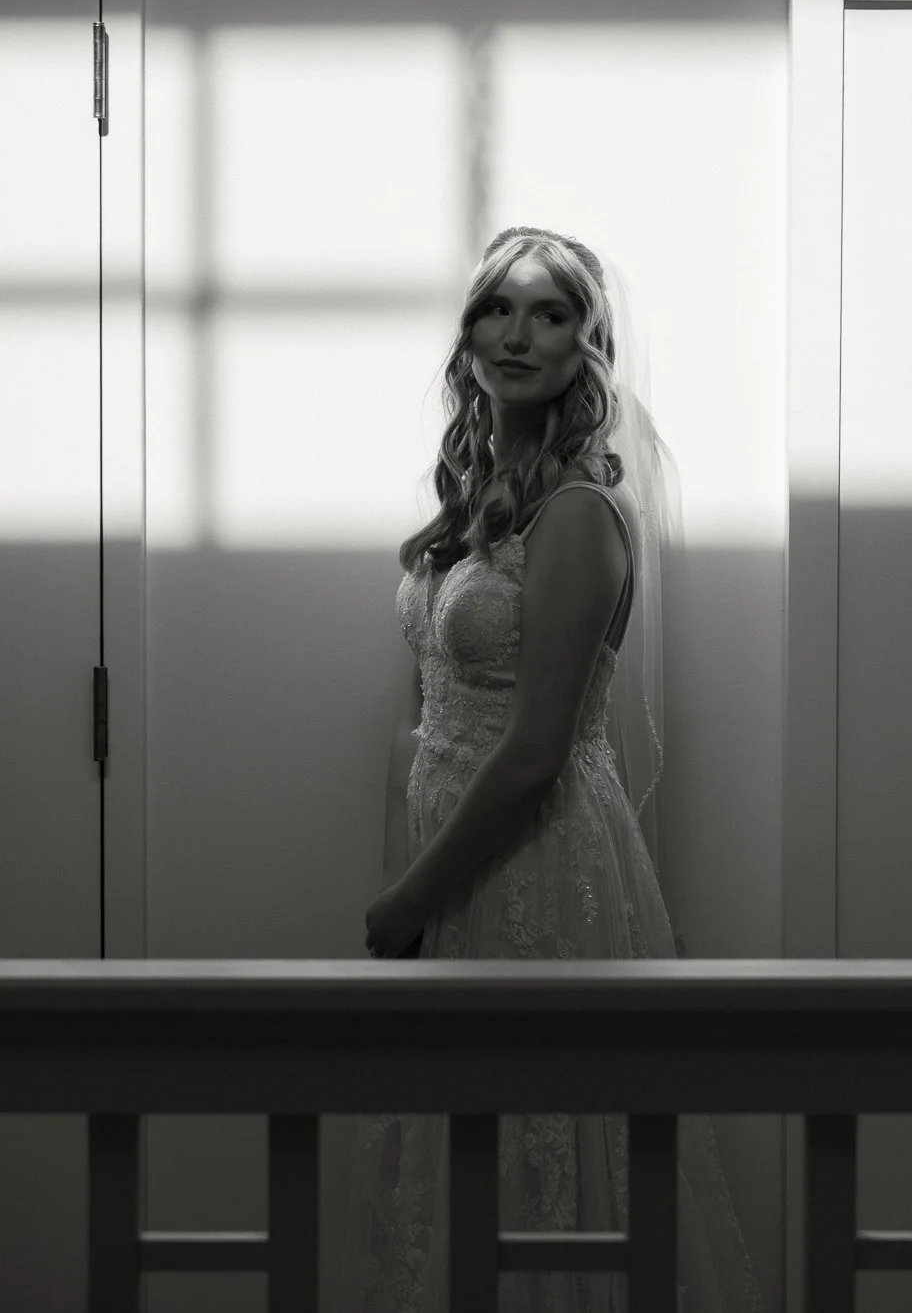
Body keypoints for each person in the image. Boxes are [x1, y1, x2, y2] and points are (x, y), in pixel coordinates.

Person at [341, 228, 765, 1312]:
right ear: (468, 332)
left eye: (549, 313)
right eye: (497, 308)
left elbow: (536, 750)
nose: (516, 334)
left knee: (546, 1151)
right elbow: (432, 716)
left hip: (535, 855)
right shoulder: (474, 504)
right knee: (460, 1147)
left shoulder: (579, 514)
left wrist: (412, 897)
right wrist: (415, 879)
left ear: (590, 345)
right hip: (456, 853)